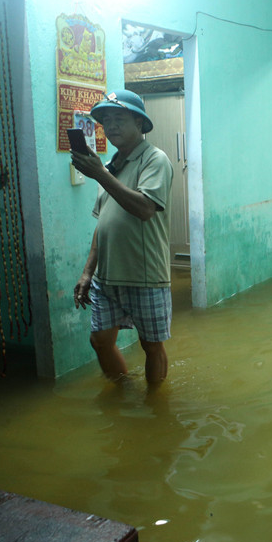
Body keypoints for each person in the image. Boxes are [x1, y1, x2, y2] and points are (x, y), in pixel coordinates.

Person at [70, 89, 174, 386]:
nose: (111, 125)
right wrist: (87, 272)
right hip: (106, 278)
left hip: (145, 274)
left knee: (151, 346)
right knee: (100, 340)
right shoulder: (110, 166)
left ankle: (155, 404)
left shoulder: (155, 160)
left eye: (119, 118)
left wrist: (101, 175)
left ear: (140, 123)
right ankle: (123, 394)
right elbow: (103, 224)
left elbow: (144, 209)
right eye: (106, 120)